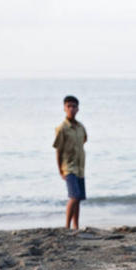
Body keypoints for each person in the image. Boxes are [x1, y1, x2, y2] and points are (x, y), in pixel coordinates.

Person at [53, 95, 87, 229]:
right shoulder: (62, 128)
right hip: (68, 167)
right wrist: (60, 169)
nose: (71, 109)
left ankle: (76, 225)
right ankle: (66, 226)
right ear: (64, 108)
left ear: (78, 109)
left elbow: (84, 140)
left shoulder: (80, 127)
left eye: (74, 106)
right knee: (74, 196)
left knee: (78, 198)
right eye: (69, 106)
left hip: (80, 167)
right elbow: (58, 150)